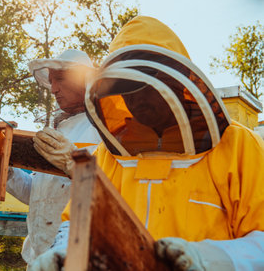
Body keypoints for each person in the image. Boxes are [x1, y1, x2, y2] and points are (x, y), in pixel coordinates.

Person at [30, 16, 264, 270]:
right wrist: (65, 253)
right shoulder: (110, 154)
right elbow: (78, 222)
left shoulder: (239, 146)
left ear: (175, 82)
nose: (135, 99)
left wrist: (211, 258)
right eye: (123, 87)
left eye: (145, 86)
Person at [6, 49, 102, 266]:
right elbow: (37, 195)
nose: (54, 89)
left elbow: (112, 189)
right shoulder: (55, 130)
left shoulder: (102, 128)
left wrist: (74, 165)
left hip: (75, 257)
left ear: (84, 80)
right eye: (50, 81)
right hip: (36, 256)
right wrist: (8, 171)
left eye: (59, 79)